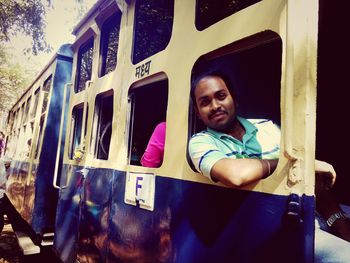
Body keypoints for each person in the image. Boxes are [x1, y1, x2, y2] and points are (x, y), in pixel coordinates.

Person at [188, 71, 350, 261]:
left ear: (235, 100)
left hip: (318, 211)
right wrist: (295, 163)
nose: (215, 106)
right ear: (198, 113)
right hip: (281, 231)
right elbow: (236, 175)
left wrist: (338, 220)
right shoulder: (200, 143)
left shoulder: (267, 127)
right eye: (205, 102)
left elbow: (313, 176)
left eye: (221, 96)